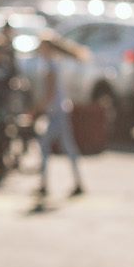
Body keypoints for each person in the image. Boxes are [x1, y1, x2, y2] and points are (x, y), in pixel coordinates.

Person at [32, 32, 87, 201]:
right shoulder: (53, 63)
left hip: (56, 111)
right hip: (59, 110)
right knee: (67, 148)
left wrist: (34, 110)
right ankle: (76, 182)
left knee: (46, 147)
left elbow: (49, 93)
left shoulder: (50, 65)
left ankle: (44, 184)